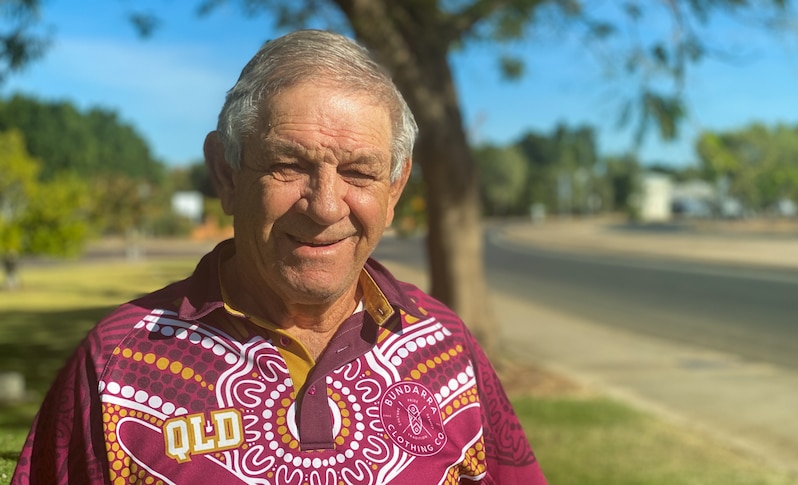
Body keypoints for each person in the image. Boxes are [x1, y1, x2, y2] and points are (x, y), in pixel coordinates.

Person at [13, 30, 547, 485]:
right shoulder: (115, 364)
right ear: (225, 173)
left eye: (359, 172)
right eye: (289, 164)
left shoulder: (446, 349)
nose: (325, 206)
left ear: (395, 188)